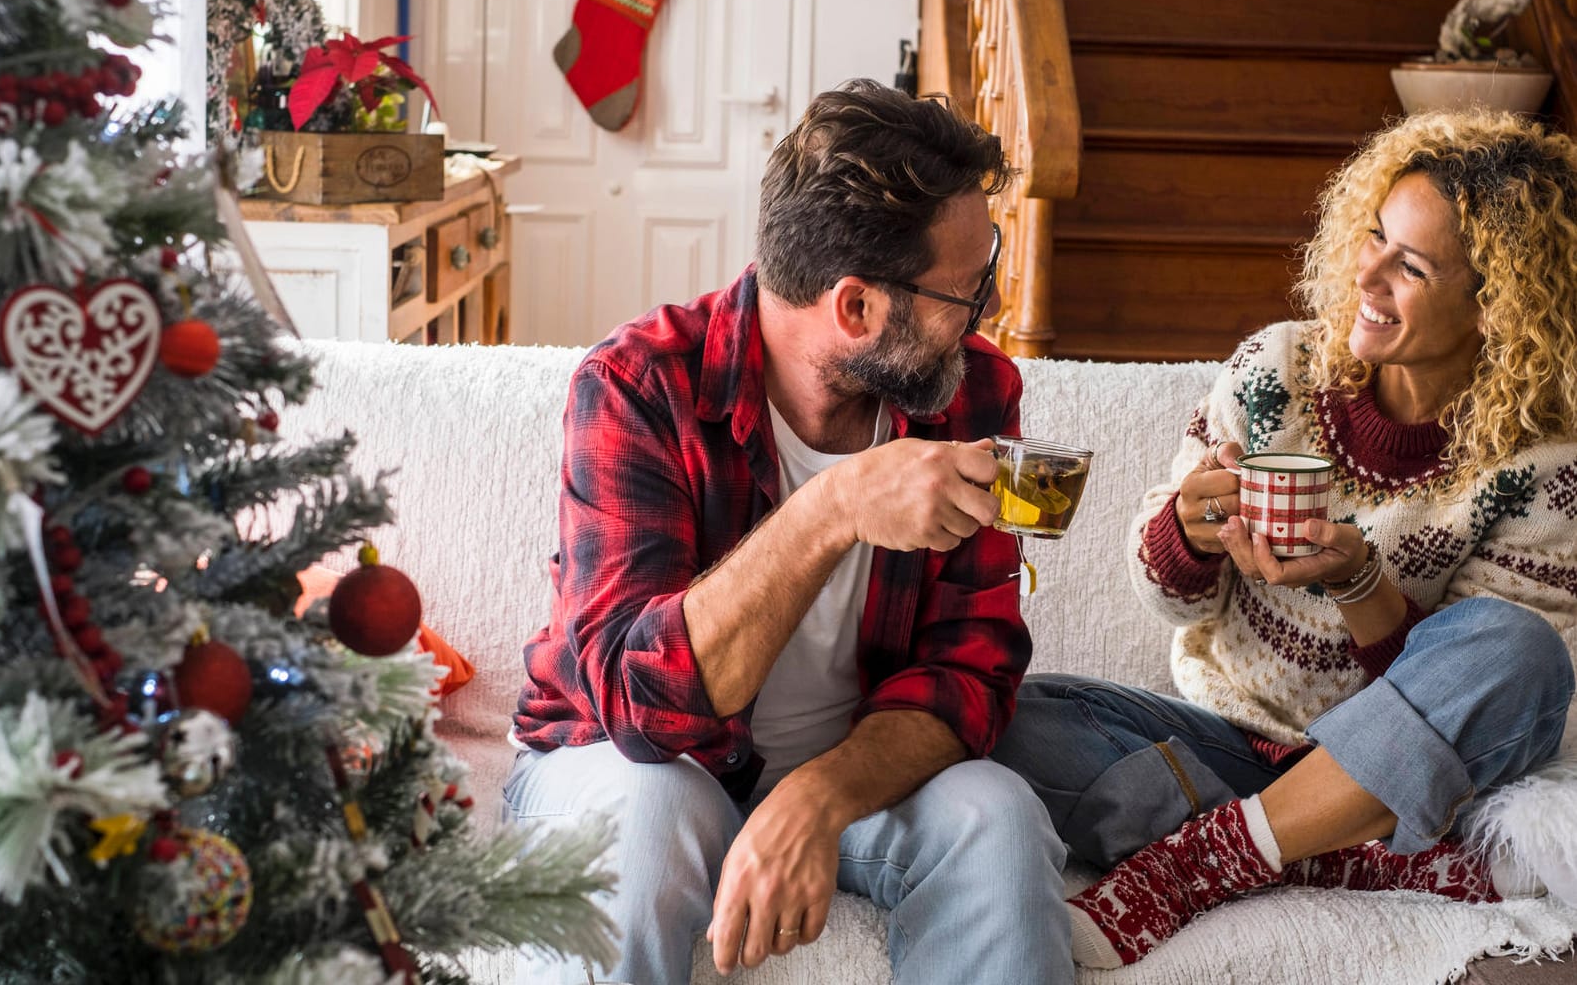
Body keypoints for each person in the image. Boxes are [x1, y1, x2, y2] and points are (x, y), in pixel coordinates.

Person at [504, 80, 1071, 984]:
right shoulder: (636, 386)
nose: (984, 317)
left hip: (859, 769)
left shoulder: (972, 392)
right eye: (967, 293)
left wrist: (818, 795)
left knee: (997, 819)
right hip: (631, 761)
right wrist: (833, 510)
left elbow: (973, 670)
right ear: (855, 309)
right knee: (647, 825)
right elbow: (641, 704)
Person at [992, 108, 1577, 969]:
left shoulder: (1543, 467)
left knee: (1521, 651)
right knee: (1009, 714)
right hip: (1226, 746)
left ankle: (1201, 865)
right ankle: (1335, 853)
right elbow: (1163, 596)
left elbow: (1478, 687)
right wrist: (1185, 531)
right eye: (1373, 237)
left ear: (1497, 308)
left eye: (1409, 265)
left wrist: (1362, 587)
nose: (1366, 274)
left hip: (1412, 776)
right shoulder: (1277, 371)